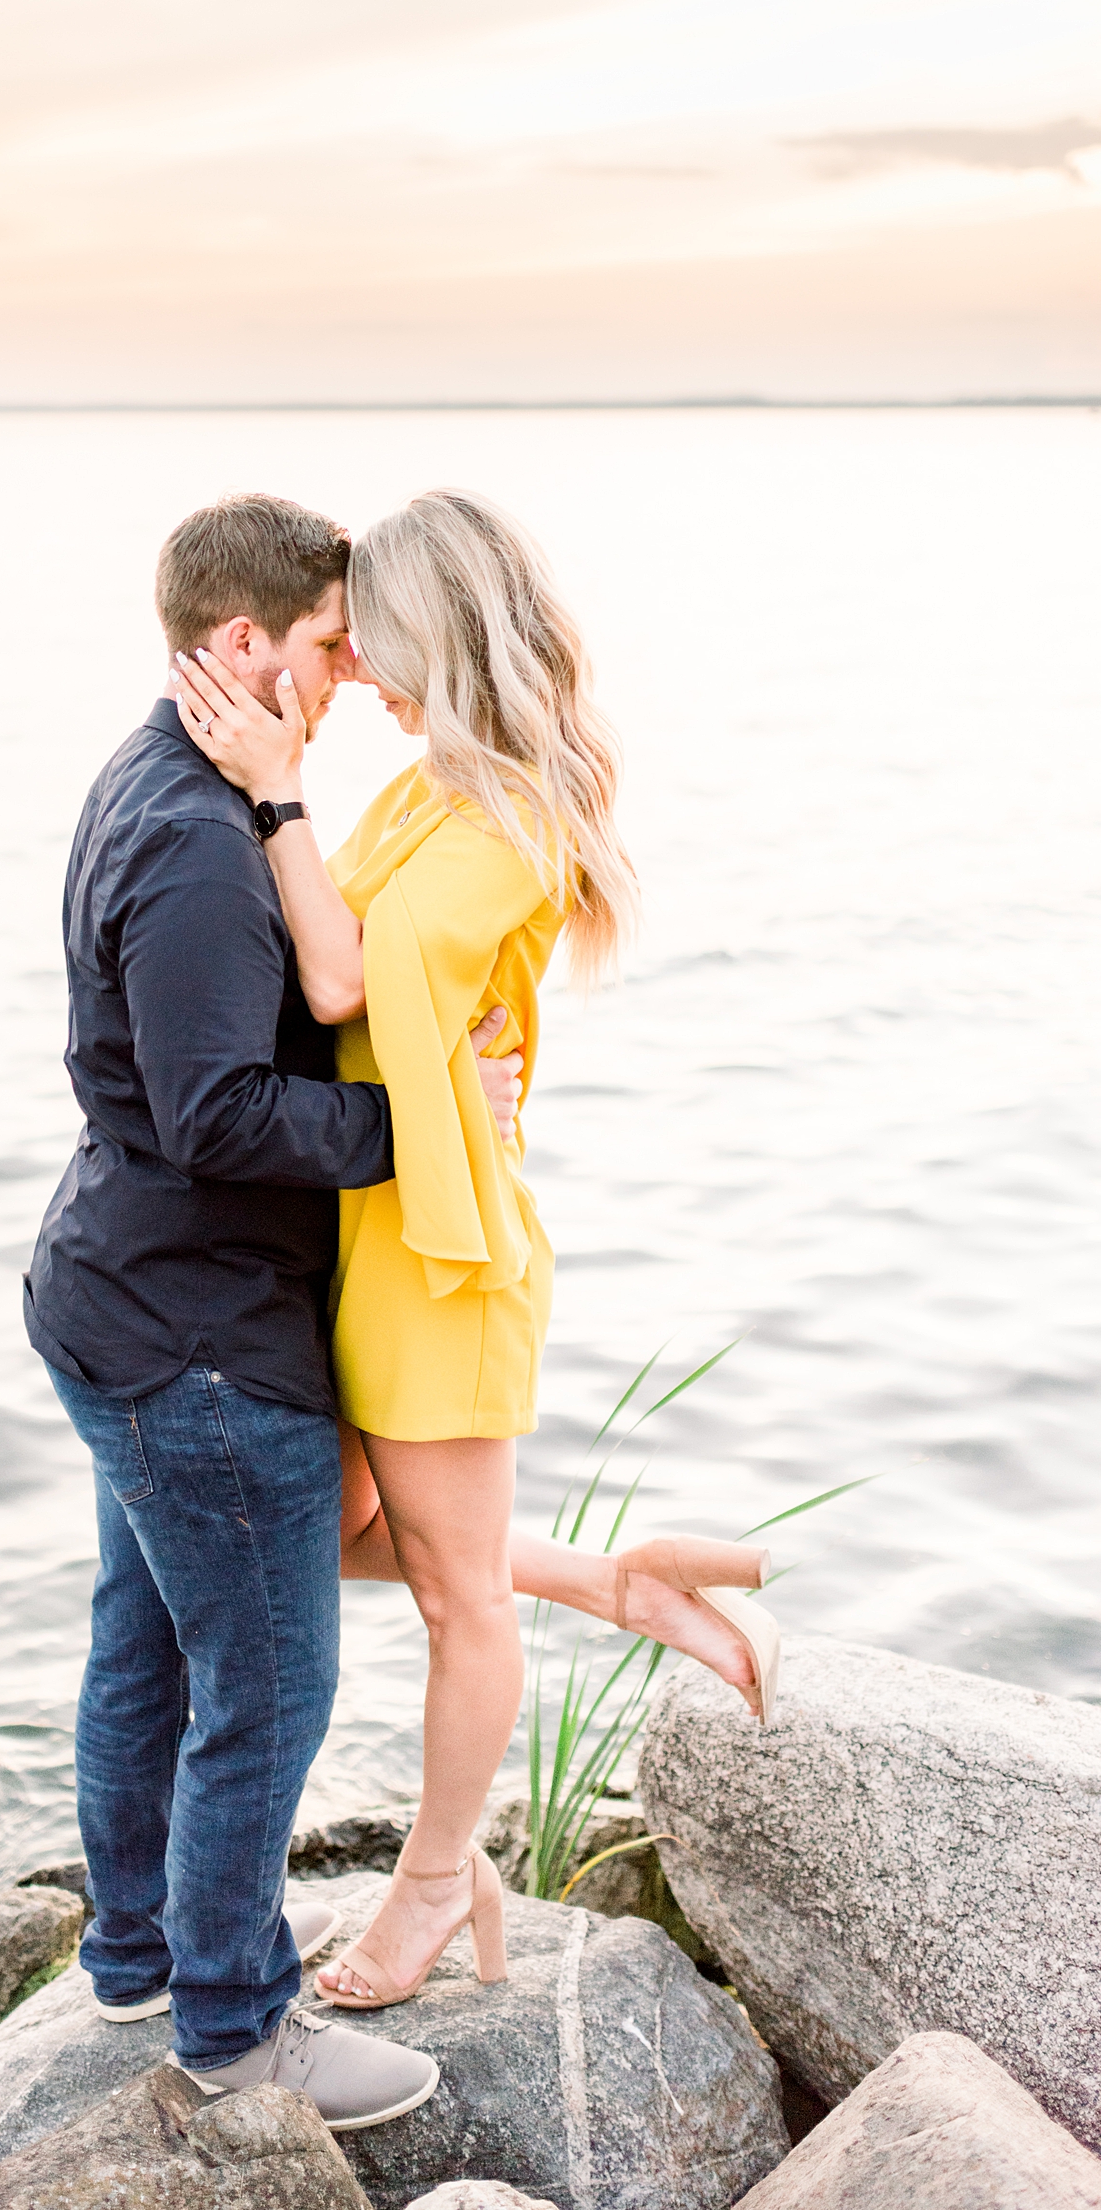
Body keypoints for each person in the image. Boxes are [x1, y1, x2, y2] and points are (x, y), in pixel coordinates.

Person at [171, 485, 779, 2012]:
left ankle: (437, 1884)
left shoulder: (517, 815)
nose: (351, 660)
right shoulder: (422, 790)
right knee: (321, 1534)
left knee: (451, 1598)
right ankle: (614, 1586)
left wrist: (274, 791)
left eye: (367, 629)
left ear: (436, 623)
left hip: (441, 1254)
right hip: (360, 1221)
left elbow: (334, 982)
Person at [23, 494, 527, 2129]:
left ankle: (140, 1953)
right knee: (268, 1678)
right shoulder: (188, 829)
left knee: (146, 1645)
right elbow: (216, 1114)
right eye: (325, 643)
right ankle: (238, 2028)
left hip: (133, 1290)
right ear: (240, 646)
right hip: (191, 1324)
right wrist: (427, 1126)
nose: (348, 666)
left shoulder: (176, 782)